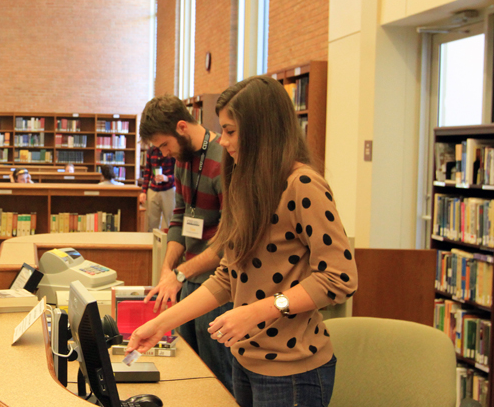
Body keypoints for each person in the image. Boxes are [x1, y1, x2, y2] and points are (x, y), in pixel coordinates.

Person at [127, 76, 358, 407]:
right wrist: (159, 325)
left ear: (263, 129)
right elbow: (227, 277)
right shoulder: (244, 184)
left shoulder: (303, 185)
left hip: (291, 371)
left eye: (231, 131)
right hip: (244, 361)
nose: (224, 139)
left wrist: (260, 311)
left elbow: (340, 277)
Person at [136, 94, 234, 392]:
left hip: (217, 288)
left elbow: (227, 240)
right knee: (188, 371)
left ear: (182, 127)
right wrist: (168, 269)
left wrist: (179, 274)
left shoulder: (224, 160)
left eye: (164, 144)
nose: (164, 153)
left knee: (216, 378)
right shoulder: (182, 160)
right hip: (188, 279)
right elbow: (179, 217)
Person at [139, 143, 176, 231]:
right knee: (152, 223)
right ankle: (151, 243)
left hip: (168, 190)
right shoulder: (151, 150)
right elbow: (147, 171)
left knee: (171, 221)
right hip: (153, 190)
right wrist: (143, 191)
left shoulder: (172, 150)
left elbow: (178, 174)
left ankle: (170, 243)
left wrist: (166, 178)